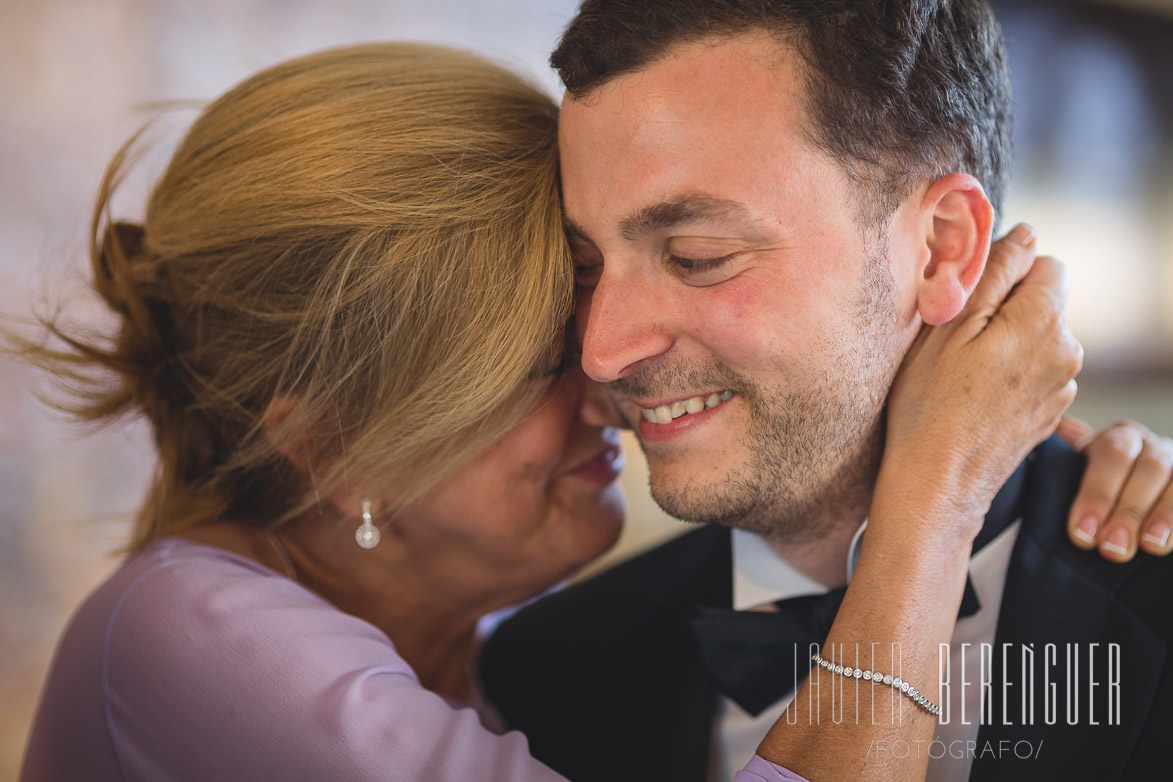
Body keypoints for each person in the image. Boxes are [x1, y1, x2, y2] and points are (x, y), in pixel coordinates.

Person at [9, 37, 1161, 782]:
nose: (605, 370)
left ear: (942, 246)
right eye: (529, 359)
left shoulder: (508, 653)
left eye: (695, 254)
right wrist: (938, 487)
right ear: (323, 439)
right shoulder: (187, 642)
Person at [479, 2, 1173, 781]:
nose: (602, 353)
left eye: (696, 255)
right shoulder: (546, 673)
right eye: (584, 268)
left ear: (944, 249)